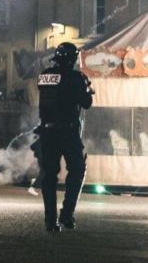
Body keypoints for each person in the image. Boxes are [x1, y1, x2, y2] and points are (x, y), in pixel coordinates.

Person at [36, 42, 94, 232]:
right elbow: (86, 103)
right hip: (67, 132)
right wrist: (86, 88)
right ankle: (66, 215)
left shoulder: (45, 76)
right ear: (72, 60)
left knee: (49, 176)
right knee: (77, 169)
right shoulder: (75, 77)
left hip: (46, 132)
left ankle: (49, 221)